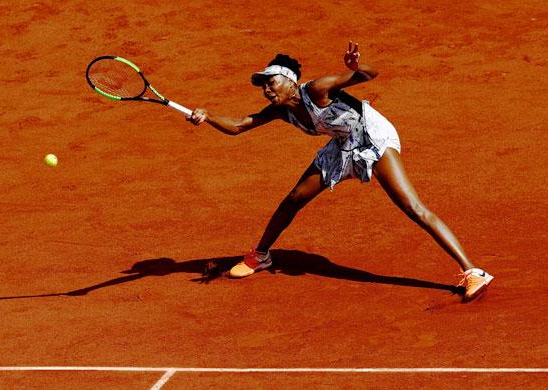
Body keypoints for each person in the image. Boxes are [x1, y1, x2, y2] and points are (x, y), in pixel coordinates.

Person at [187, 42, 493, 301]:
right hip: (342, 142)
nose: (266, 89)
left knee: (412, 208)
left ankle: (473, 271)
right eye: (263, 85)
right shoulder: (282, 110)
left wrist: (356, 67)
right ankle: (261, 256)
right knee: (294, 198)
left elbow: (371, 74)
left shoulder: (318, 89)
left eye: (271, 82)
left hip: (372, 136)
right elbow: (240, 125)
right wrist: (207, 114)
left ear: (291, 81)